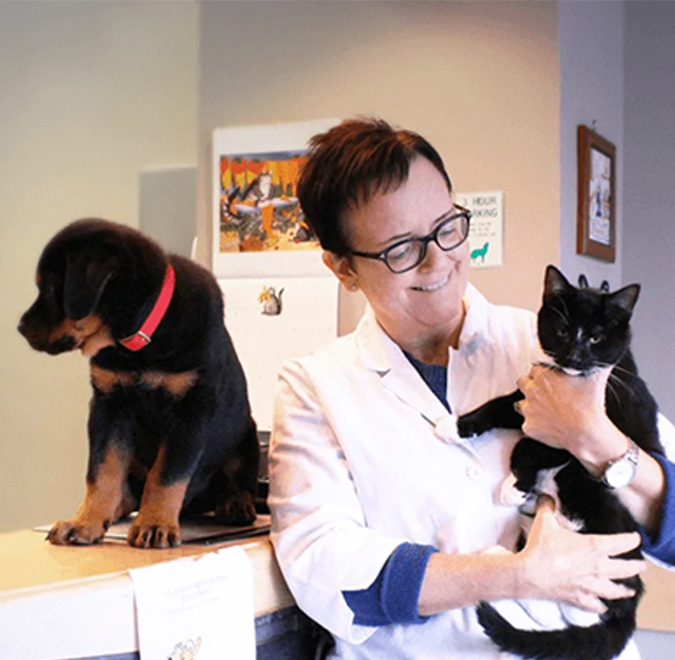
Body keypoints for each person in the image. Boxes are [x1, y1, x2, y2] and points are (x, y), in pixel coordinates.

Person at [268, 117, 675, 659]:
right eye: (400, 249)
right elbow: (326, 569)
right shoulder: (315, 387)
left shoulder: (551, 346)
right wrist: (515, 575)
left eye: (447, 227)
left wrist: (596, 439)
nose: (439, 260)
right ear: (342, 268)